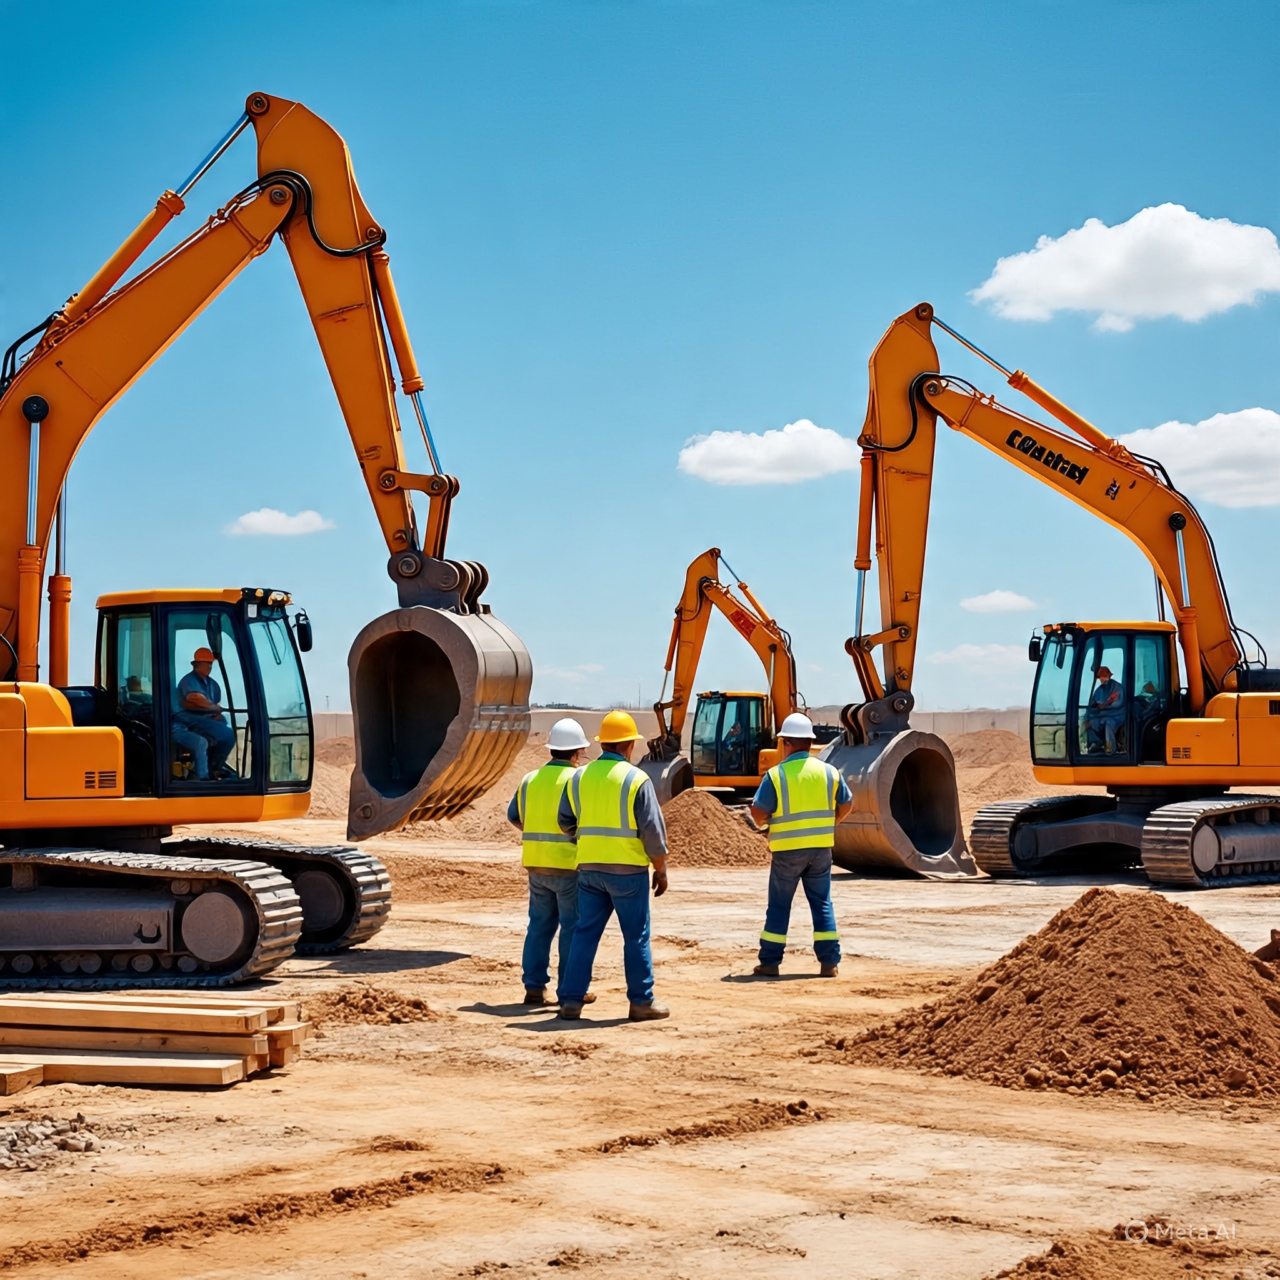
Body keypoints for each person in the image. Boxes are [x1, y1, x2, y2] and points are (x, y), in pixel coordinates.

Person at [556, 709, 670, 1022]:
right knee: (636, 936)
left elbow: (565, 821)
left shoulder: (578, 777)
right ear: (629, 745)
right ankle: (641, 1002)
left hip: (589, 870)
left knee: (584, 934)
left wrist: (587, 840)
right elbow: (653, 833)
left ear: (603, 743)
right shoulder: (636, 779)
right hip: (628, 872)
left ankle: (570, 1001)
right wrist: (660, 869)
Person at [749, 713, 853, 978]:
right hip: (821, 850)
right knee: (822, 904)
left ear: (785, 743)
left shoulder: (776, 775)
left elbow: (758, 812)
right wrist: (831, 822)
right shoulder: (829, 772)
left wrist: (765, 824)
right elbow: (847, 803)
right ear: (810, 742)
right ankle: (829, 963)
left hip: (787, 852)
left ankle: (770, 962)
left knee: (779, 906)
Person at [506, 718, 597, 1008]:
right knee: (572, 927)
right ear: (577, 752)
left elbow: (514, 816)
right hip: (568, 866)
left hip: (536, 864)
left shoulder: (530, 779)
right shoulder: (578, 780)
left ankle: (534, 988)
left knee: (539, 926)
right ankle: (570, 989)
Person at [173, 647, 237, 780]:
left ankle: (215, 767)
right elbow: (195, 698)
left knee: (226, 729)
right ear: (196, 664)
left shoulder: (213, 685)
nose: (209, 666)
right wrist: (214, 708)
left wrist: (217, 714)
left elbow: (216, 705)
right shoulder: (188, 681)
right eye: (206, 663)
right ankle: (203, 777)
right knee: (221, 736)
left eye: (211, 663)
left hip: (204, 721)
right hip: (187, 721)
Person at [1084, 665, 1125, 754]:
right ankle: (1095, 744)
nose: (1102, 679)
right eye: (1100, 677)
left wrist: (1105, 706)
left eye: (1104, 676)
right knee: (1090, 724)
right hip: (1102, 716)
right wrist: (1087, 719)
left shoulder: (1118, 687)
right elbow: (1091, 705)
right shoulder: (1099, 690)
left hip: (1116, 715)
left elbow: (1119, 703)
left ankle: (1110, 748)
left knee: (1108, 725)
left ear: (1109, 676)